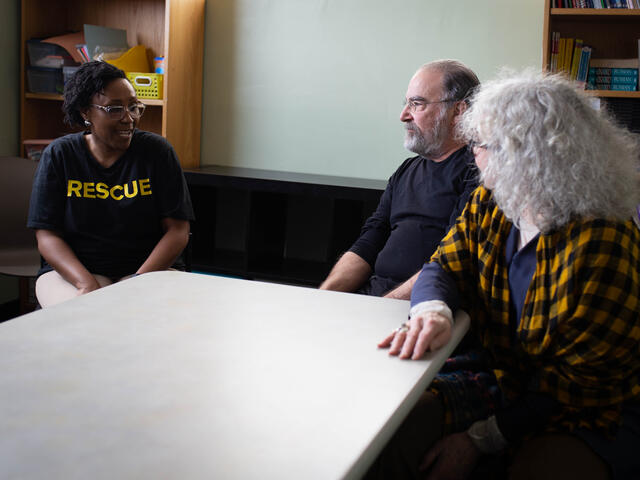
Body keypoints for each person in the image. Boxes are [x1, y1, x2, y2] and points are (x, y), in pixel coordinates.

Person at [371, 70, 640, 479]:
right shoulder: (493, 201)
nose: (472, 152)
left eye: (481, 143)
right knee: (394, 426)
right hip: (507, 378)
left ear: (528, 154)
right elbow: (443, 265)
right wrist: (432, 310)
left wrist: (480, 439)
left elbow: (576, 387)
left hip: (592, 406)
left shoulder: (603, 239)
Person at [28, 61, 195, 307]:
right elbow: (47, 236)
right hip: (77, 272)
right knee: (85, 319)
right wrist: (86, 283)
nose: (128, 119)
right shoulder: (60, 154)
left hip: (149, 270)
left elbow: (178, 231)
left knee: (143, 321)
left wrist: (137, 280)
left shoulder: (157, 152)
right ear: (86, 112)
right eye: (114, 109)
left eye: (134, 107)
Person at [319, 60, 479, 298]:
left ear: (458, 111)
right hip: (375, 298)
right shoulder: (407, 169)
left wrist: (384, 306)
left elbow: (451, 261)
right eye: (407, 104)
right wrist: (324, 297)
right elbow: (371, 240)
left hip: (424, 308)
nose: (404, 115)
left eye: (416, 104)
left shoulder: (477, 173)